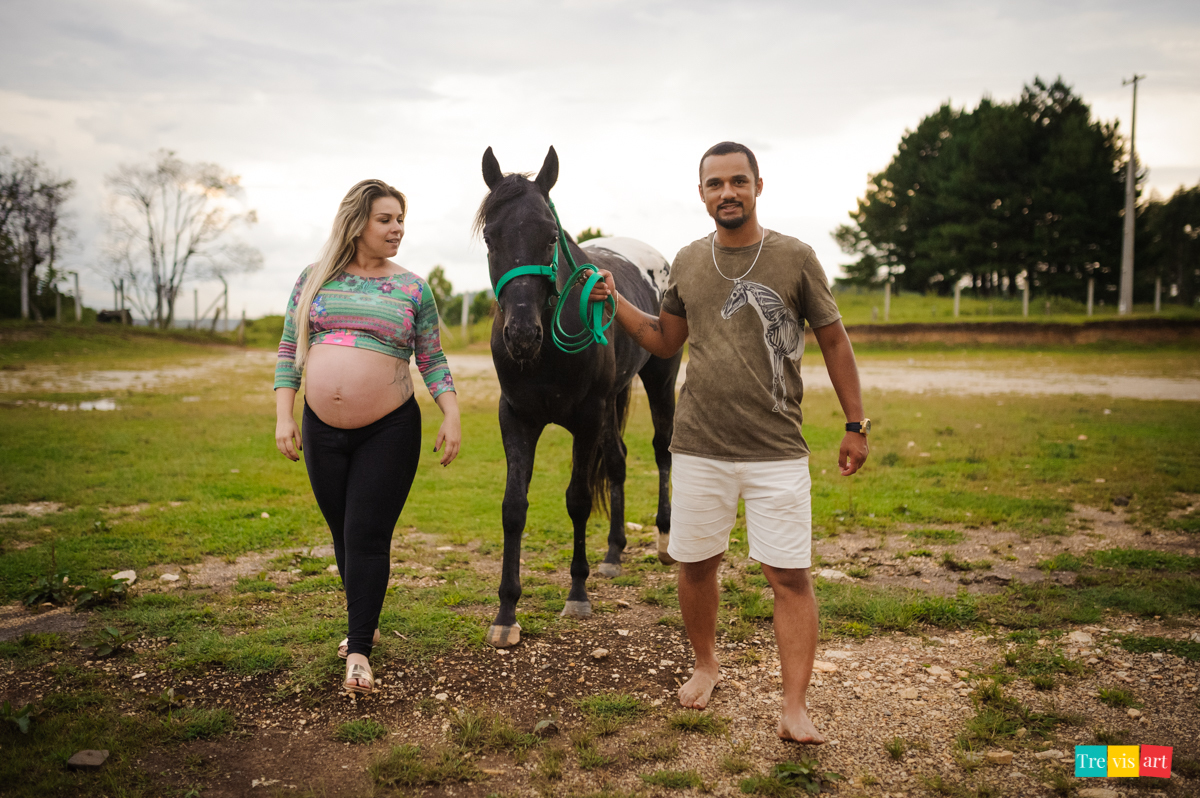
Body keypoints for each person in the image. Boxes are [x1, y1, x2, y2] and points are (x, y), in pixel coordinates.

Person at [590, 142, 869, 744]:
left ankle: (794, 707)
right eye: (715, 184)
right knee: (695, 565)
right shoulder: (690, 261)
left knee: (789, 576)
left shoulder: (795, 257)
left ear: (758, 185)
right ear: (702, 194)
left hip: (777, 450)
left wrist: (855, 423)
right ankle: (705, 665)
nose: (727, 193)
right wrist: (613, 301)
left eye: (738, 181)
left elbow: (834, 341)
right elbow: (665, 340)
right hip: (698, 448)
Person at [274, 179, 460, 695]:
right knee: (343, 531)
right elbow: (291, 348)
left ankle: (358, 650)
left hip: (390, 427)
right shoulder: (313, 280)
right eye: (386, 219)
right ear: (358, 223)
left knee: (366, 534)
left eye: (401, 219)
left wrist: (452, 413)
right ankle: (366, 613)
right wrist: (284, 416)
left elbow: (431, 357)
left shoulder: (412, 288)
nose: (397, 228)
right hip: (319, 430)